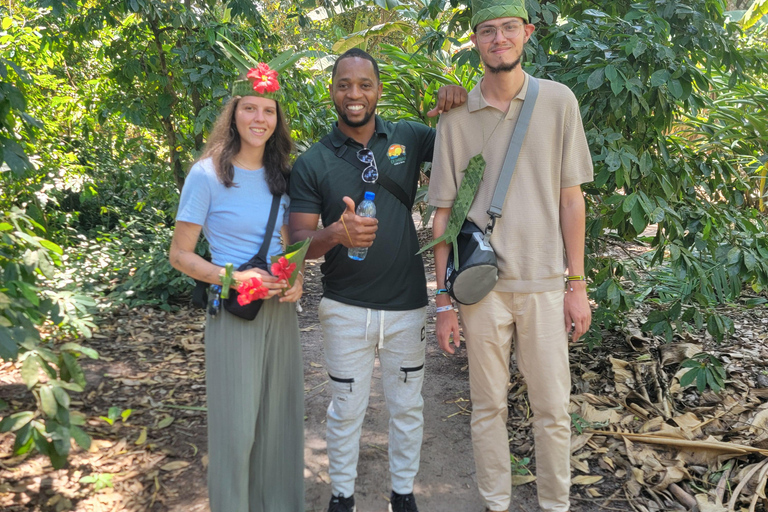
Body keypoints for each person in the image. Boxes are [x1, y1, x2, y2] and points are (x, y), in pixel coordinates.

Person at [428, 0, 594, 510]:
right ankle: (495, 503)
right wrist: (443, 301)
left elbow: (571, 199)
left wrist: (577, 284)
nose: (498, 39)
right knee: (487, 408)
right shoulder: (456, 116)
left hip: (544, 283)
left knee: (553, 410)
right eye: (487, 30)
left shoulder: (558, 101)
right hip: (482, 288)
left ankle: (555, 504)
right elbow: (442, 215)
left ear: (527, 32)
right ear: (475, 41)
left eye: (508, 28)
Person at [289, 48, 467, 512]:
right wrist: (335, 233)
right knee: (345, 409)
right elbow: (297, 244)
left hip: (406, 306)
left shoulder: (408, 136)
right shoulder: (313, 163)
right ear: (331, 91)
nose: (355, 94)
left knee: (407, 408)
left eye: (364, 85)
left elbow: (467, 146)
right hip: (344, 308)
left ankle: (402, 494)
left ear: (378, 90)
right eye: (344, 85)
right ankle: (342, 497)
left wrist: (459, 99)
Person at [168, 64, 304, 512]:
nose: (259, 118)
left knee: (280, 423)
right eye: (250, 108)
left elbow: (287, 247)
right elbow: (180, 255)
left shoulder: (283, 176)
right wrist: (233, 277)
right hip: (234, 309)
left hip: (279, 312)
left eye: (268, 110)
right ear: (234, 113)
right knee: (236, 427)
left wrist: (297, 280)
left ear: (277, 120)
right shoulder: (207, 175)